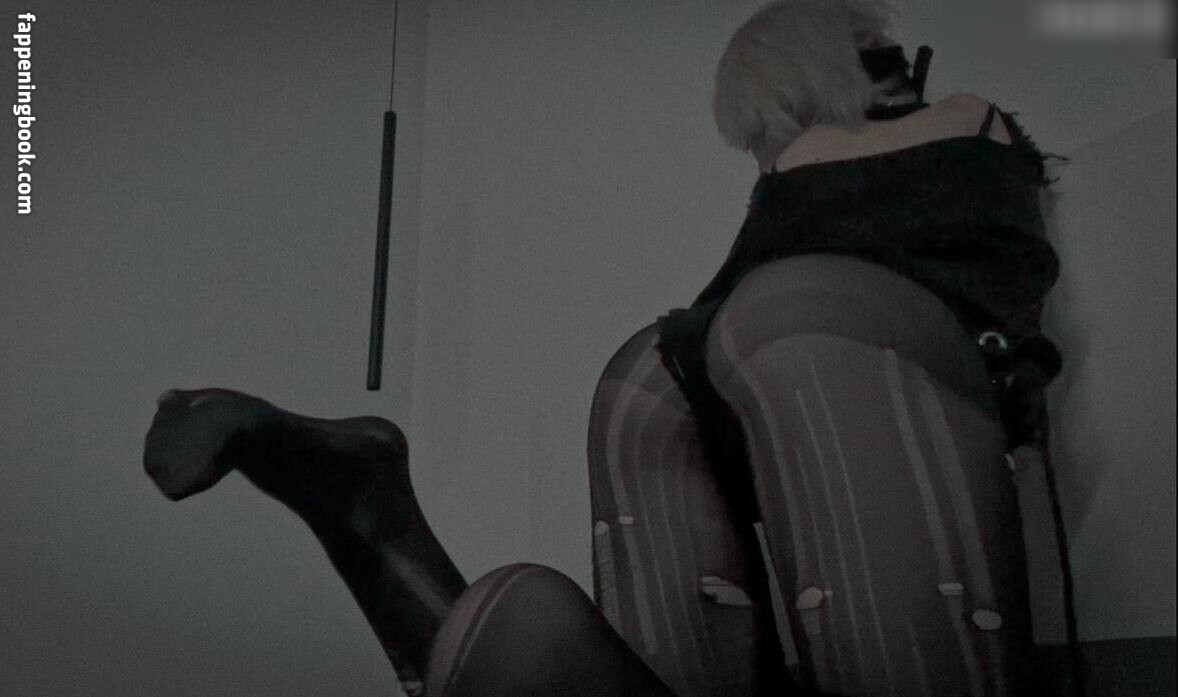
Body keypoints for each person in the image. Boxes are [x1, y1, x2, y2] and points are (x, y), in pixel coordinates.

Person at [143, 1, 1067, 695]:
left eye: (767, 124)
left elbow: (753, 294)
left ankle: (376, 522)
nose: (765, 152)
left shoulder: (929, 126)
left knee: (665, 367)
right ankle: (382, 525)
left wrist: (800, 160)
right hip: (804, 358)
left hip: (855, 350)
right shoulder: (953, 127)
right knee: (713, 348)